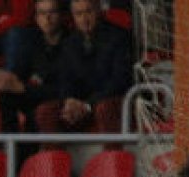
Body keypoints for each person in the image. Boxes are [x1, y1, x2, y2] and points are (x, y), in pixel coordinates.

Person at [35, 0, 131, 134]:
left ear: (98, 11)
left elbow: (120, 81)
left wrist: (88, 105)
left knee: (104, 108)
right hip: (81, 104)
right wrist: (69, 101)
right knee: (45, 111)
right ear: (73, 17)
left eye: (88, 12)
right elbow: (65, 80)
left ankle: (112, 154)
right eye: (78, 14)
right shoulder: (69, 43)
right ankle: (53, 154)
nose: (84, 19)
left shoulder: (119, 37)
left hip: (109, 100)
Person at [0, 0, 68, 134]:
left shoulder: (72, 43)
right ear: (36, 18)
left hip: (60, 99)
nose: (47, 18)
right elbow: (19, 74)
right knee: (7, 95)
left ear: (62, 15)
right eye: (42, 13)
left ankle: (23, 151)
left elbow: (65, 88)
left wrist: (24, 89)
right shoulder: (32, 42)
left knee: (35, 111)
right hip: (35, 94)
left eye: (52, 13)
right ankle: (9, 145)